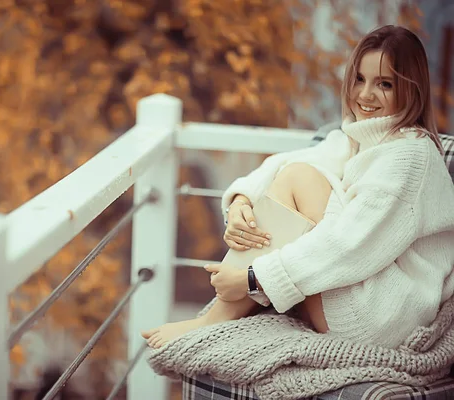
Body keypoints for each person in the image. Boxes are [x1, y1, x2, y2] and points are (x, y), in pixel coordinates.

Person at [142, 25, 454, 350]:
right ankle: (217, 316)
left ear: (412, 90)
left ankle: (212, 320)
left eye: (384, 84)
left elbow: (351, 245)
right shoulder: (361, 139)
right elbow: (286, 163)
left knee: (299, 178)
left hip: (382, 318)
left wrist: (252, 278)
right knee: (296, 172)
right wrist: (240, 203)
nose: (365, 94)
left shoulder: (410, 157)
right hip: (363, 289)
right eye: (359, 79)